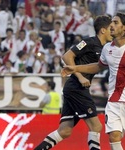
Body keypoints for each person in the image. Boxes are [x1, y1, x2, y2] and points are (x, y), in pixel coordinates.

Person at [34, 15, 112, 150]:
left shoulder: (104, 48)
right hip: (77, 86)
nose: (113, 31)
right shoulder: (89, 42)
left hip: (74, 88)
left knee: (65, 131)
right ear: (103, 30)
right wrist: (80, 76)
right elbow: (66, 56)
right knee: (96, 126)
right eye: (111, 28)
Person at [61, 12, 125, 150]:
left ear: (124, 28)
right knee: (114, 136)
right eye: (111, 23)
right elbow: (98, 66)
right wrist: (75, 69)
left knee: (65, 130)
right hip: (113, 100)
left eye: (115, 23)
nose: (111, 26)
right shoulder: (106, 48)